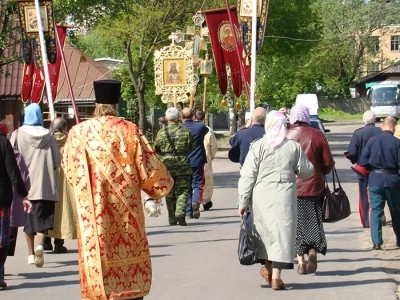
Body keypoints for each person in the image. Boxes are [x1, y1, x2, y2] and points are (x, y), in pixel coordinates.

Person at [62, 79, 174, 300]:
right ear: (116, 103)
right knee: (129, 255)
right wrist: (159, 190)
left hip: (93, 213)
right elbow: (150, 171)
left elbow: (69, 170)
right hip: (126, 213)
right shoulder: (130, 131)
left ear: (95, 103)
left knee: (98, 257)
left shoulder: (78, 133)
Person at [238, 111, 314, 290]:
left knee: (265, 233)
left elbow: (248, 176)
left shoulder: (258, 146)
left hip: (261, 195)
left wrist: (243, 201)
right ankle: (276, 277)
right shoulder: (293, 147)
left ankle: (267, 269)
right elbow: (306, 171)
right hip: (285, 195)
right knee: (282, 234)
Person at [10, 103, 61, 268]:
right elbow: (57, 160)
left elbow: (9, 158)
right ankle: (41, 244)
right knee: (44, 219)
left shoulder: (18, 134)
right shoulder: (49, 135)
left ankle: (31, 254)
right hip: (45, 185)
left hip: (24, 187)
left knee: (28, 221)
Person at [286, 104, 335, 275]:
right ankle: (313, 250)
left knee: (296, 224)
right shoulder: (318, 135)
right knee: (314, 220)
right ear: (306, 116)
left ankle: (300, 262)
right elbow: (328, 163)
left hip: (291, 188)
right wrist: (323, 171)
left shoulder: (286, 135)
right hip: (314, 186)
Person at [359, 116, 400, 250]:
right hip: (393, 180)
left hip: (375, 179)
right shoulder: (397, 143)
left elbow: (363, 162)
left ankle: (377, 242)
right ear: (393, 127)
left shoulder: (372, 142)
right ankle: (399, 239)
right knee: (396, 211)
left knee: (376, 210)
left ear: (383, 127)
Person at [0, 123, 32, 289]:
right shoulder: (4, 143)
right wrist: (23, 195)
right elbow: (13, 171)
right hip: (2, 200)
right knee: (2, 240)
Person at [154, 107, 195, 226]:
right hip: (183, 163)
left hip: (167, 165)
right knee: (182, 191)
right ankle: (180, 213)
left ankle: (172, 218)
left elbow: (156, 149)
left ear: (166, 118)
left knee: (169, 191)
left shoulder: (161, 132)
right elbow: (192, 147)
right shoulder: (185, 131)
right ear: (178, 117)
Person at [44, 117, 77, 253]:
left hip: (48, 178)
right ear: (65, 128)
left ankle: (46, 241)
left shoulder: (45, 140)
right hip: (65, 179)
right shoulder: (71, 141)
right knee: (62, 210)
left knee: (48, 208)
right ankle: (59, 243)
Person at [347, 110, 382, 228]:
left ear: (364, 120)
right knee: (378, 195)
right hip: (378, 168)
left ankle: (366, 221)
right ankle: (378, 218)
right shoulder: (381, 132)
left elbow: (352, 152)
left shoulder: (358, 133)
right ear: (375, 120)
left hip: (362, 169)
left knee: (363, 195)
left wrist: (354, 160)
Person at [181, 107, 209, 219]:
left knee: (187, 186)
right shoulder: (201, 126)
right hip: (198, 160)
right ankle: (195, 202)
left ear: (181, 117)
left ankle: (188, 212)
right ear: (193, 116)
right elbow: (206, 130)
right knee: (197, 183)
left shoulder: (180, 128)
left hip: (184, 161)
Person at [195, 110, 219, 210]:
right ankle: (205, 201)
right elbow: (214, 145)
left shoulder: (189, 128)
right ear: (204, 118)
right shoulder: (208, 130)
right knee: (207, 180)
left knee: (195, 180)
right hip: (205, 156)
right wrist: (211, 156)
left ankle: (194, 200)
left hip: (193, 157)